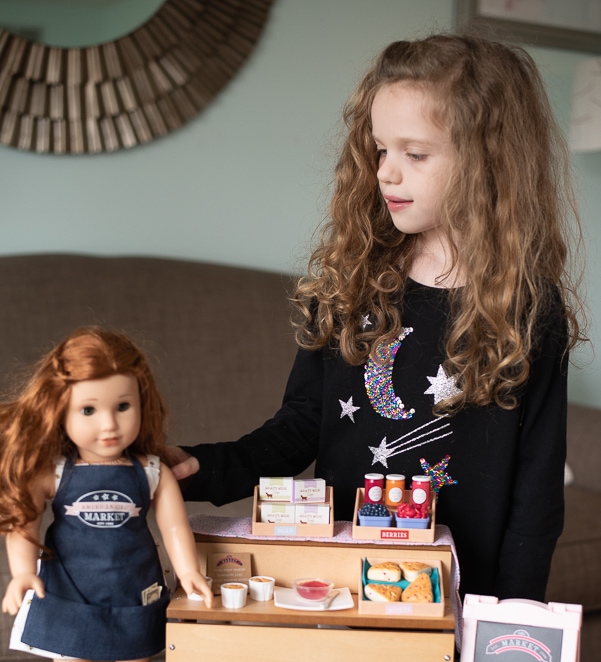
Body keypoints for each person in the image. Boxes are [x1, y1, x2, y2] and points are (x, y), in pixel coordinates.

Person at [172, 34, 586, 606]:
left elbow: (536, 493)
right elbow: (298, 428)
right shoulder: (353, 281)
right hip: (343, 585)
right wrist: (204, 467)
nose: (386, 173)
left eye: (414, 154)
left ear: (488, 159)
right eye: (379, 150)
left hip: (460, 600)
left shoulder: (530, 310)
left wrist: (511, 623)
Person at [0, 327, 212, 662]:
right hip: (69, 588)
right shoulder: (53, 470)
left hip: (133, 586)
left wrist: (189, 569)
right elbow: (24, 523)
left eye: (123, 406)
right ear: (60, 410)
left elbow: (175, 527)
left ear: (144, 403)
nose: (109, 424)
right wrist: (21, 570)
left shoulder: (151, 470)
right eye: (89, 410)